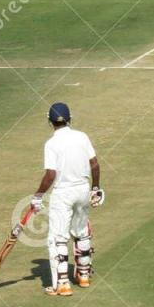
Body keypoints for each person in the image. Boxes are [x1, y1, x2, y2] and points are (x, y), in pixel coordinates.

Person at [30, 103, 104, 296]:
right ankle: (84, 275)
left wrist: (38, 196)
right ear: (70, 119)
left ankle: (62, 284)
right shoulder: (82, 137)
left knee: (58, 238)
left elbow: (50, 175)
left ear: (50, 122)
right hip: (82, 189)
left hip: (63, 193)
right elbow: (94, 165)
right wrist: (95, 188)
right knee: (81, 233)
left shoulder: (51, 144)